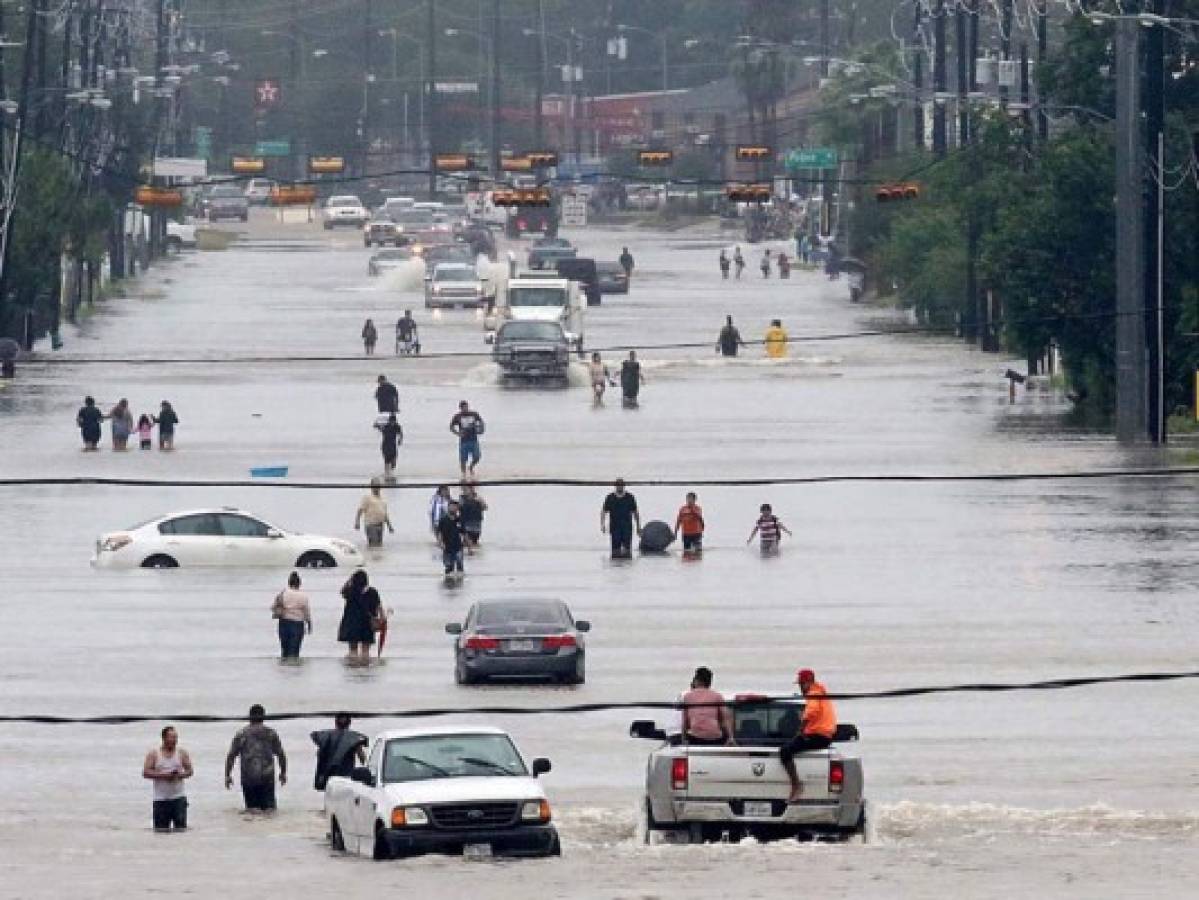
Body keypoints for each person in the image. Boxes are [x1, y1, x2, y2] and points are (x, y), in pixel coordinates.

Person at [780, 669, 838, 802]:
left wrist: (800, 729)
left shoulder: (814, 694)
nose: (800, 688)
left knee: (785, 751)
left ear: (808, 682)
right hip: (823, 736)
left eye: (801, 684)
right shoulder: (820, 693)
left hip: (819, 736)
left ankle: (796, 785)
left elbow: (811, 711)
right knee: (791, 746)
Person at [224, 704, 287, 812]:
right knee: (269, 811)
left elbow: (231, 756)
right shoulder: (271, 733)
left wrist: (227, 775)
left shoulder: (241, 734)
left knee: (252, 810)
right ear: (264, 716)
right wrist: (283, 772)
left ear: (249, 716)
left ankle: (253, 827)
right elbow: (281, 754)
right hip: (267, 776)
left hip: (248, 777)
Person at [143, 725, 193, 832]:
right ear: (164, 738)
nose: (174, 740)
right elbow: (146, 772)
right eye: (171, 737)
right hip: (160, 799)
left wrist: (179, 775)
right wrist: (164, 776)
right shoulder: (154, 754)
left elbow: (190, 771)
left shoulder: (182, 753)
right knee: (160, 832)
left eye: (175, 738)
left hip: (178, 798)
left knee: (181, 831)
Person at [311, 714, 368, 791]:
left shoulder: (327, 737)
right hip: (345, 779)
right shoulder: (353, 738)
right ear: (349, 723)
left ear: (335, 723)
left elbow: (319, 755)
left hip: (329, 780)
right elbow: (363, 759)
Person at [680, 667, 735, 746]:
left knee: (691, 732)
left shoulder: (688, 696)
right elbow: (726, 719)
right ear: (710, 682)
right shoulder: (717, 696)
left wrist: (683, 739)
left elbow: (684, 721)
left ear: (697, 680)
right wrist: (731, 737)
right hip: (715, 738)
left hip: (696, 737)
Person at [337, 570, 381, 664]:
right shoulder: (373, 592)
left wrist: (350, 580)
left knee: (352, 651)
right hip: (367, 623)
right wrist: (382, 619)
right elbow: (379, 607)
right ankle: (365, 669)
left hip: (352, 623)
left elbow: (342, 591)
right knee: (366, 651)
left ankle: (353, 671)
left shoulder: (350, 591)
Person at [270, 572, 312, 660]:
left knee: (284, 650)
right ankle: (294, 669)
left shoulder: (282, 594)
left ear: (289, 583)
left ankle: (285, 668)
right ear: (299, 584)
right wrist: (309, 624)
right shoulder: (303, 596)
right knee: (294, 651)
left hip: (283, 623)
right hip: (298, 624)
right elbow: (306, 612)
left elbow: (273, 607)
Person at [601, 478, 641, 559]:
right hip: (615, 527)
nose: (620, 487)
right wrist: (602, 524)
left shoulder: (630, 497)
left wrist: (638, 527)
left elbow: (635, 513)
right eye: (618, 485)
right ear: (615, 486)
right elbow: (603, 512)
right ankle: (615, 566)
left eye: (621, 485)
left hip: (627, 527)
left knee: (627, 549)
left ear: (624, 486)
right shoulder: (610, 497)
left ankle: (626, 565)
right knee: (615, 550)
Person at [355, 477, 394, 548]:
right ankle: (371, 557)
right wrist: (357, 522)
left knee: (379, 545)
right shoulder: (367, 498)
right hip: (371, 525)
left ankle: (376, 557)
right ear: (371, 487)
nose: (377, 488)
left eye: (378, 486)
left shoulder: (382, 499)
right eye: (375, 486)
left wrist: (389, 526)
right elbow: (360, 510)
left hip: (381, 525)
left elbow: (385, 514)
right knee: (373, 544)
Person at [449, 400, 485, 478]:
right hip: (464, 441)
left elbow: (481, 422)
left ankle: (471, 467)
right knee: (463, 459)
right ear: (460, 408)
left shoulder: (474, 414)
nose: (465, 409)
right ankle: (463, 475)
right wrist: (458, 433)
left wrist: (481, 430)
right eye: (463, 407)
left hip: (474, 439)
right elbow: (451, 427)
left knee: (477, 456)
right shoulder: (457, 416)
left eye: (466, 407)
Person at [436, 500, 466, 580]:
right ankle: (448, 583)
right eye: (452, 506)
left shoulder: (460, 520)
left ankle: (460, 584)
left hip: (458, 547)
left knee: (460, 567)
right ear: (448, 507)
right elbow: (439, 533)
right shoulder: (443, 520)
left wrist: (469, 547)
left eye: (455, 507)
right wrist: (440, 543)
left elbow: (464, 533)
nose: (453, 508)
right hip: (447, 547)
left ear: (457, 509)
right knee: (449, 567)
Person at [459, 483, 488, 549]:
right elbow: (459, 509)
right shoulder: (462, 498)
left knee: (475, 541)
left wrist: (480, 501)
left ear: (472, 489)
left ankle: (474, 553)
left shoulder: (478, 498)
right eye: (464, 489)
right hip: (466, 523)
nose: (465, 491)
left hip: (477, 523)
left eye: (466, 489)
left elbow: (485, 507)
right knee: (467, 542)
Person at [375, 414, 402, 479]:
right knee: (386, 461)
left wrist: (400, 440)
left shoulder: (397, 426)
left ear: (395, 421)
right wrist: (377, 425)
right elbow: (379, 427)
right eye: (391, 421)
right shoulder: (386, 426)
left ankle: (391, 473)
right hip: (385, 445)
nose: (392, 423)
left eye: (394, 421)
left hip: (393, 445)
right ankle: (387, 474)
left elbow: (400, 434)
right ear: (389, 421)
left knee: (394, 462)